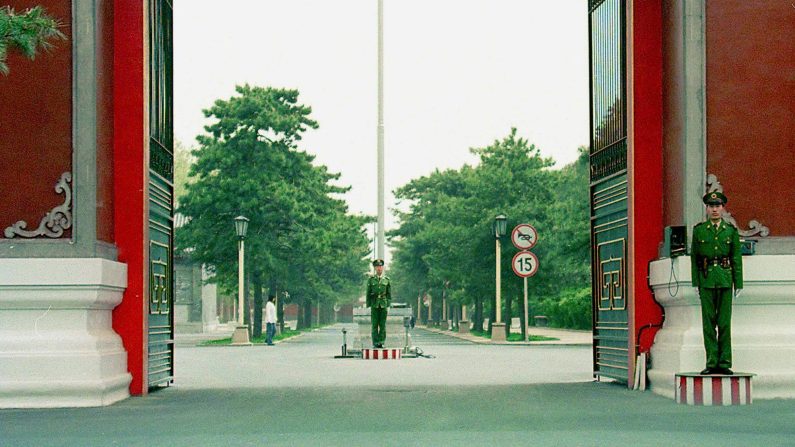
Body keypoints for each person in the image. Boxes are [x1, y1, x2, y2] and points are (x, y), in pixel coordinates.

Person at [691, 191, 743, 375]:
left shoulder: (730, 231)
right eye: (711, 206)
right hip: (706, 279)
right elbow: (695, 258)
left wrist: (739, 283)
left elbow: (736, 257)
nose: (715, 209)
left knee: (724, 323)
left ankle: (725, 362)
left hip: (725, 279)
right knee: (708, 323)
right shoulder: (699, 230)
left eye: (718, 206)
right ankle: (711, 362)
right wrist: (695, 282)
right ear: (707, 208)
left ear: (722, 208)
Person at [366, 258, 391, 348]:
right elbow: (368, 293)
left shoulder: (387, 280)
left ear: (383, 267)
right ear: (375, 268)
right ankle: (375, 342)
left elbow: (389, 294)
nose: (379, 268)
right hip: (374, 304)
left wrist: (388, 305)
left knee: (383, 325)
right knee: (374, 324)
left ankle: (381, 342)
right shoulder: (371, 280)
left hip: (383, 304)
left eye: (380, 266)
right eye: (377, 267)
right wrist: (368, 304)